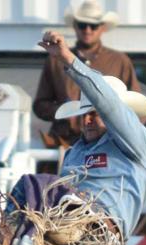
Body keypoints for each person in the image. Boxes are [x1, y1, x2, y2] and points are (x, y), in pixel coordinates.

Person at [12, 30, 146, 245]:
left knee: (38, 184)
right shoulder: (74, 152)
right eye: (83, 114)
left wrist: (67, 59)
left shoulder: (137, 143)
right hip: (64, 222)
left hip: (100, 233)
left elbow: (108, 104)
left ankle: (22, 238)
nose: (87, 120)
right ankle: (7, 235)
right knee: (30, 188)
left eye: (95, 114)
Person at [33, 0, 140, 147]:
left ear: (102, 27)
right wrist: (65, 112)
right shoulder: (55, 60)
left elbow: (135, 105)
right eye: (82, 25)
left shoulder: (120, 61)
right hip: (65, 142)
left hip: (109, 143)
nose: (88, 30)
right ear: (75, 26)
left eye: (93, 25)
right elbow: (40, 105)